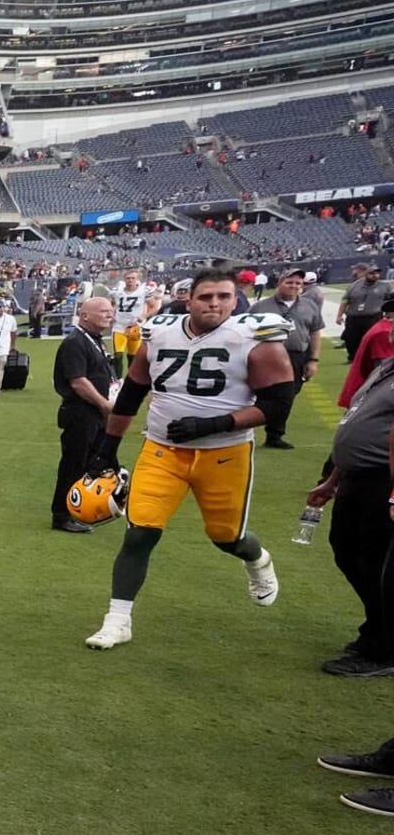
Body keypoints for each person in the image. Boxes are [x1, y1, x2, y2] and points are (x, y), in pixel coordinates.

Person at [82, 271, 289, 650]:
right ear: (188, 299)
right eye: (206, 296)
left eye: (224, 296)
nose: (215, 304)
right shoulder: (159, 332)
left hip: (224, 453)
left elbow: (278, 405)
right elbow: (131, 393)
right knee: (140, 531)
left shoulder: (256, 339)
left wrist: (216, 423)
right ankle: (117, 620)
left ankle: (257, 560)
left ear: (235, 299)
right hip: (162, 450)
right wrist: (107, 447)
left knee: (226, 537)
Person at [304, 356, 394, 677]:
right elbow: (358, 423)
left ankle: (382, 650)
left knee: (377, 562)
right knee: (346, 551)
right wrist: (333, 479)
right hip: (355, 476)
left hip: (383, 479)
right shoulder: (386, 368)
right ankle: (377, 627)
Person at [51, 297, 116, 533]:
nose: (109, 315)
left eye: (111, 311)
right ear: (85, 315)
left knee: (92, 463)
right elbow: (78, 382)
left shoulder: (95, 341)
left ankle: (82, 509)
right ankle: (62, 514)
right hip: (81, 412)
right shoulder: (75, 342)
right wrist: (104, 404)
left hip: (95, 412)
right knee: (74, 464)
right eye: (103, 311)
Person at [252, 267, 323, 451]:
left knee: (288, 397)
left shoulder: (310, 305)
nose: (294, 286)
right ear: (279, 283)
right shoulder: (260, 306)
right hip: (266, 357)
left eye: (298, 283)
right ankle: (246, 429)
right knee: (258, 395)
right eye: (289, 282)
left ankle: (274, 435)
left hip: (297, 356)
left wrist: (313, 360)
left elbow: (315, 332)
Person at [335, 265, 387, 361]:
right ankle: (353, 358)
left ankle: (372, 358)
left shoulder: (384, 286)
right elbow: (345, 301)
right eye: (372, 273)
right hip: (354, 317)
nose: (375, 275)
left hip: (373, 317)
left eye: (377, 273)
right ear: (365, 274)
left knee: (372, 339)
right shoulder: (354, 286)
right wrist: (339, 315)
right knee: (351, 340)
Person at [110, 270, 151, 379]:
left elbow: (155, 305)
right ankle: (118, 381)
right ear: (124, 280)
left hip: (135, 327)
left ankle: (131, 381)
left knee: (133, 357)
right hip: (119, 326)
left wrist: (145, 315)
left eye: (133, 278)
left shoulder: (143, 291)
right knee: (118, 356)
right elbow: (111, 304)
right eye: (128, 278)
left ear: (137, 280)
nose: (130, 280)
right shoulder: (117, 292)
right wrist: (111, 314)